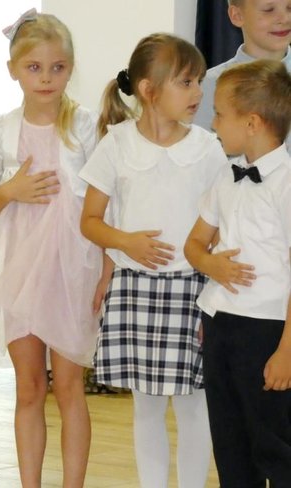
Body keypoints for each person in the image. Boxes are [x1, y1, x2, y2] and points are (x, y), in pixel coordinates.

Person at [79, 33, 228, 488]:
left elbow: (224, 225)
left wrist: (216, 293)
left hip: (193, 289)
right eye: (186, 82)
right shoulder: (116, 144)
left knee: (194, 405)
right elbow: (90, 221)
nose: (198, 92)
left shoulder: (208, 148)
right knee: (146, 406)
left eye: (198, 81)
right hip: (135, 287)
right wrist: (126, 242)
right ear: (148, 89)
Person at [0, 9, 101, 488]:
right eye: (34, 67)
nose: (46, 78)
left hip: (72, 273)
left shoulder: (84, 127)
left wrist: (107, 269)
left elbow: (106, 202)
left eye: (57, 67)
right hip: (20, 273)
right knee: (28, 388)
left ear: (70, 68)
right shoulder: (2, 130)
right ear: (13, 70)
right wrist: (10, 191)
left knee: (68, 386)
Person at [184, 59, 291, 487]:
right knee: (229, 444)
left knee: (275, 445)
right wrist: (210, 264)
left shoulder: (286, 184)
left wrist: (287, 350)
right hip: (221, 323)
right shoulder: (225, 177)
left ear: (251, 123)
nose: (213, 123)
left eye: (220, 114)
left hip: (269, 330)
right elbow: (194, 243)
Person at [195, 0, 290, 152]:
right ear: (237, 15)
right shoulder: (208, 87)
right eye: (269, 9)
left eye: (290, 8)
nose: (285, 18)